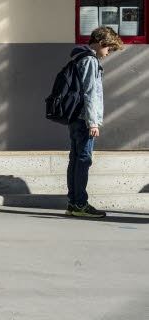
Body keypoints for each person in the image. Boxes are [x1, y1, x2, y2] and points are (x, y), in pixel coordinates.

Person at [66, 26, 124, 218]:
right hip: (84, 119)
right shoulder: (90, 61)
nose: (108, 54)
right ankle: (80, 204)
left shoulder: (78, 57)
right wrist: (93, 122)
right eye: (109, 49)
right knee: (83, 160)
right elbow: (90, 93)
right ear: (101, 43)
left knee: (75, 160)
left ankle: (73, 203)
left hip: (76, 118)